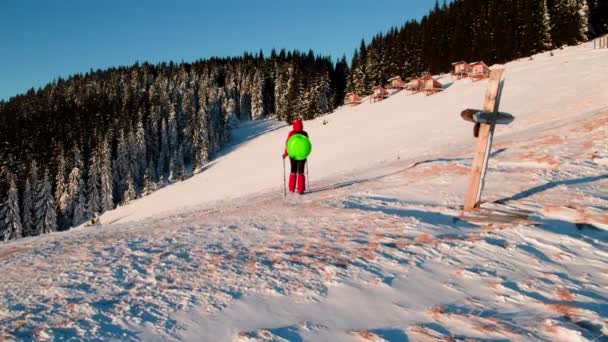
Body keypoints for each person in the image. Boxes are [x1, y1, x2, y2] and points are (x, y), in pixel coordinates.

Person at [282, 119, 308, 194]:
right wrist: (306, 153)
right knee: (301, 171)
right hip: (302, 155)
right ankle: (301, 189)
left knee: (293, 170)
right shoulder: (305, 133)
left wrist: (285, 154)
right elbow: (307, 145)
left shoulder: (291, 133)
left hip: (292, 155)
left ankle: (291, 188)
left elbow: (288, 145)